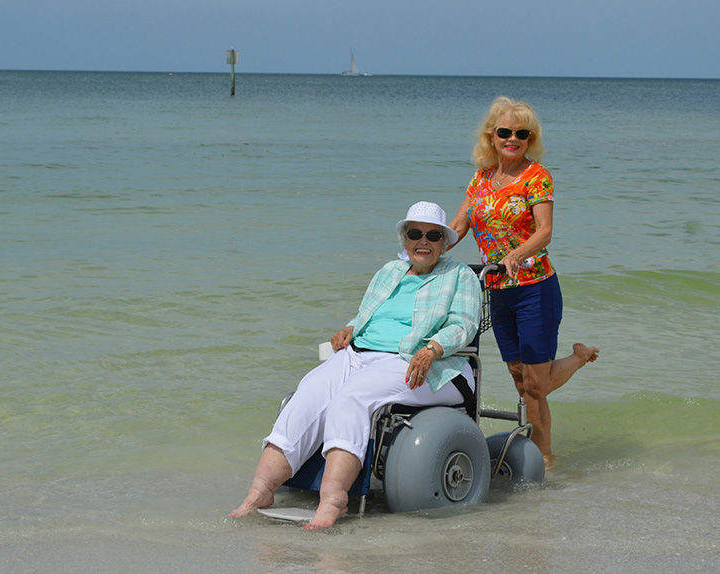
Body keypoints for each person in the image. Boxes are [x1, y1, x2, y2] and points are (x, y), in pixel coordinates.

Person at [231, 201, 482, 528]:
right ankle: (260, 491)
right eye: (415, 234)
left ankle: (333, 500)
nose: (424, 241)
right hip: (360, 353)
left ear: (445, 242)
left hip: (420, 361)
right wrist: (349, 329)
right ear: (405, 240)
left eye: (433, 235)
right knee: (307, 394)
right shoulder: (388, 272)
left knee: (352, 397)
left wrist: (433, 348)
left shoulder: (458, 275)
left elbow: (463, 325)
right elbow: (368, 315)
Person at [449, 96, 599, 469]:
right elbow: (459, 226)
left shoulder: (537, 176)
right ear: (491, 136)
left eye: (522, 133)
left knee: (536, 384)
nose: (512, 138)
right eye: (505, 132)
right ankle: (542, 453)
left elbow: (545, 231)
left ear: (530, 138)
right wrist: (423, 246)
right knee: (520, 380)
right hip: (497, 291)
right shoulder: (481, 177)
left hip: (535, 289)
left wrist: (515, 255)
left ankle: (578, 361)